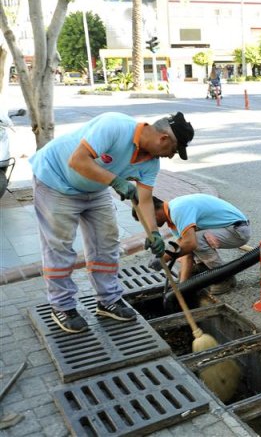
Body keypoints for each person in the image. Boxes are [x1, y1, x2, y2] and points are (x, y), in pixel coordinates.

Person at [29, 111, 194, 333]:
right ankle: (63, 306)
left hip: (96, 189)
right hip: (56, 182)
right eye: (173, 150)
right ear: (163, 139)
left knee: (106, 242)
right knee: (59, 246)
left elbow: (143, 200)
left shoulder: (151, 164)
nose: (170, 156)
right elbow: (77, 160)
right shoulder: (114, 126)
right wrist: (115, 180)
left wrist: (153, 233)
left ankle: (108, 300)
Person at [135, 193, 250, 295]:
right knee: (186, 243)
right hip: (225, 229)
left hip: (237, 230)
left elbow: (191, 244)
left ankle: (224, 278)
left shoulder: (178, 210)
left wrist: (164, 258)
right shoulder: (172, 219)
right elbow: (186, 251)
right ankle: (203, 269)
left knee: (197, 240)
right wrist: (182, 286)